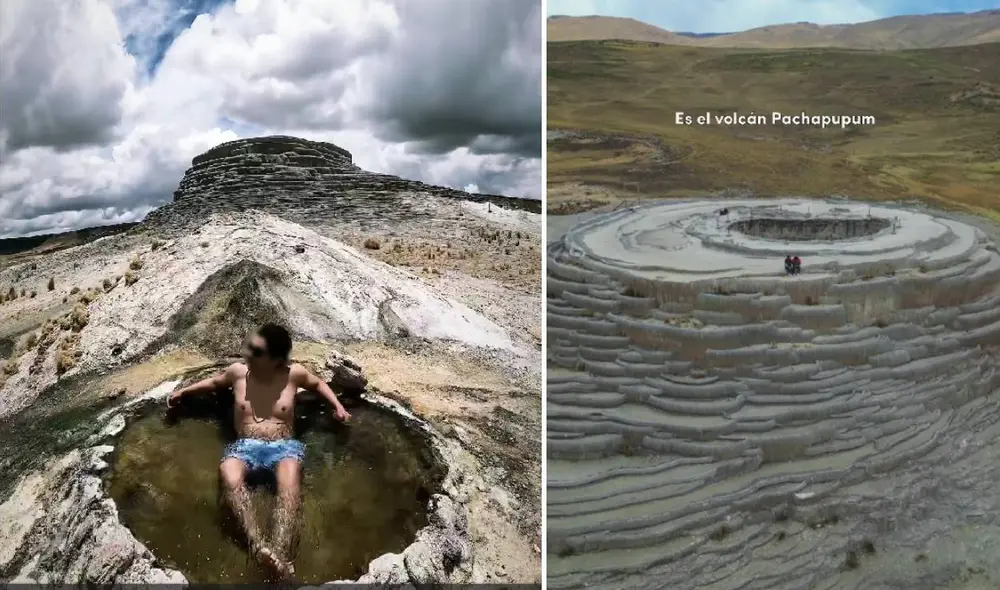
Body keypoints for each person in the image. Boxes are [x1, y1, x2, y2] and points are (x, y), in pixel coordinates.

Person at [166, 323, 351, 580]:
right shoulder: (238, 373)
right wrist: (184, 391)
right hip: (245, 447)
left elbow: (318, 383)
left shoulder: (293, 374)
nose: (249, 354)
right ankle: (258, 544)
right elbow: (214, 382)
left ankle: (281, 552)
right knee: (229, 472)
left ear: (275, 358)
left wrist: (338, 406)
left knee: (289, 483)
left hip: (284, 447)